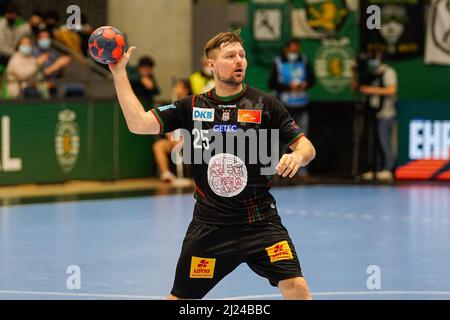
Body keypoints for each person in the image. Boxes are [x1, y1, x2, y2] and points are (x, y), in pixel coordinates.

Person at [109, 30, 316, 300]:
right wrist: (119, 73)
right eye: (229, 56)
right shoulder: (191, 107)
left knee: (296, 287)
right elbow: (138, 123)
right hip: (210, 227)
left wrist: (298, 156)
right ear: (212, 65)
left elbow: (306, 146)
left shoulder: (266, 105)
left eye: (241, 55)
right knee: (181, 299)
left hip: (261, 223)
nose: (238, 60)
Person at [359, 49, 397, 182]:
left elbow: (392, 90)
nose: (373, 60)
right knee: (373, 142)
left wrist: (371, 90)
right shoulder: (371, 73)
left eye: (376, 57)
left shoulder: (388, 72)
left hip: (386, 113)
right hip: (373, 112)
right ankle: (375, 169)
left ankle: (388, 169)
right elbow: (358, 87)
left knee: (384, 141)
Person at [268, 39, 315, 135]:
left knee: (302, 136)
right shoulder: (278, 62)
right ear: (286, 49)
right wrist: (289, 87)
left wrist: (305, 84)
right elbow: (271, 84)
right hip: (285, 107)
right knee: (284, 135)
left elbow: (312, 79)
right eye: (292, 51)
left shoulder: (303, 59)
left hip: (302, 106)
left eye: (296, 51)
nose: (294, 53)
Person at [152, 79, 191, 183]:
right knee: (158, 146)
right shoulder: (170, 105)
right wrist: (171, 137)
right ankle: (166, 174)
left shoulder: (192, 104)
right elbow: (165, 123)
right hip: (174, 140)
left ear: (186, 89)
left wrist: (184, 139)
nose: (175, 88)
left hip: (190, 140)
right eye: (175, 86)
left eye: (179, 86)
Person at [32, 29, 71, 97]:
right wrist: (57, 65)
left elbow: (59, 73)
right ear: (38, 39)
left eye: (46, 37)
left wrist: (61, 66)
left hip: (55, 83)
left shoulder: (53, 52)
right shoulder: (33, 52)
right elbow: (41, 72)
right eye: (42, 37)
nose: (45, 39)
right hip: (38, 84)